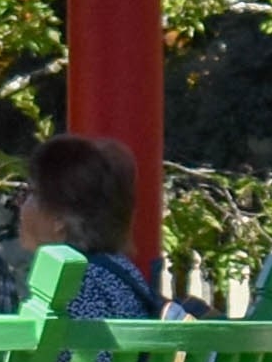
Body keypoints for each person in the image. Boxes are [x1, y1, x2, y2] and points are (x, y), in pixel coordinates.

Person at [11, 134, 161, 319]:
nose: (19, 202)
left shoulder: (70, 284)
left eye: (29, 192)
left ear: (60, 217)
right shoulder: (119, 270)